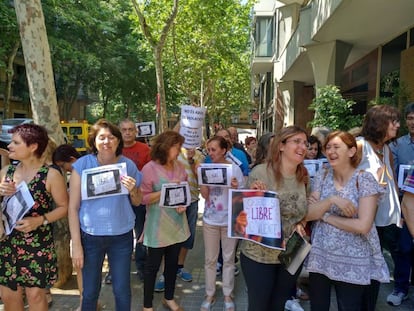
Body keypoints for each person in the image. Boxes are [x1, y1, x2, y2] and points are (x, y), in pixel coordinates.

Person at [305, 131, 389, 311]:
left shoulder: (364, 179)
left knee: (349, 307)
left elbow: (363, 225)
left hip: (353, 260)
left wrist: (325, 215)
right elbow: (308, 214)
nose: (330, 151)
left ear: (351, 151)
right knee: (318, 307)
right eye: (327, 147)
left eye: (336, 147)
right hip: (320, 257)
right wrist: (331, 200)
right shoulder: (323, 175)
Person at [68, 119, 142, 311]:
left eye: (111, 137)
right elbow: (72, 207)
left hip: (122, 236)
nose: (107, 141)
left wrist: (133, 190)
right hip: (90, 236)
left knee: (122, 289)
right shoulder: (82, 165)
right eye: (102, 137)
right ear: (94, 141)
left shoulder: (128, 165)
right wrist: (76, 244)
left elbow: (137, 201)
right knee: (90, 291)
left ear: (118, 141)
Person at [0, 123, 68, 311]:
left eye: (15, 143)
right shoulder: (7, 172)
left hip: (37, 243)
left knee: (35, 294)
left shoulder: (51, 175)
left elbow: (64, 207)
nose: (9, 146)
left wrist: (40, 220)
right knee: (9, 295)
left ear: (33, 147)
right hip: (7, 241)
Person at [240, 125, 308, 311]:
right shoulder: (261, 172)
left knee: (279, 305)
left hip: (292, 254)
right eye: (297, 141)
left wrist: (302, 223)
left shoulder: (304, 176)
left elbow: (303, 212)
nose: (303, 147)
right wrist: (254, 195)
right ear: (281, 146)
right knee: (259, 307)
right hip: (260, 256)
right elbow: (247, 215)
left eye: (305, 142)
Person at [356, 104, 401, 308]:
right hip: (362, 220)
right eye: (394, 121)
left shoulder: (386, 148)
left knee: (374, 267)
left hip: (383, 221)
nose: (398, 125)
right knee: (360, 271)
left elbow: (389, 182)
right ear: (380, 123)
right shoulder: (359, 146)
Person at [140, 130, 190, 311]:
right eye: (176, 147)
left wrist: (182, 205)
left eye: (179, 147)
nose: (178, 151)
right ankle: (147, 305)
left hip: (176, 224)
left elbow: (184, 194)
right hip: (157, 227)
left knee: (171, 265)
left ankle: (169, 298)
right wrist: (165, 192)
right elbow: (142, 198)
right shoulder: (149, 169)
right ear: (165, 147)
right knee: (151, 267)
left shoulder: (180, 167)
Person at [199, 136, 244, 311]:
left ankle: (227, 294)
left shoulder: (235, 169)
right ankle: (209, 294)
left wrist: (233, 187)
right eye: (208, 149)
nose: (210, 153)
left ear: (224, 150)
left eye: (213, 149)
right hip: (210, 219)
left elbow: (240, 198)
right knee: (210, 259)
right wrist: (202, 179)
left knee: (228, 259)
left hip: (229, 220)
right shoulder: (206, 167)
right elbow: (204, 195)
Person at [117, 119, 151, 283]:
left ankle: (141, 266)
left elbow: (149, 173)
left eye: (131, 129)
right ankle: (113, 271)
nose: (128, 132)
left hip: (139, 197)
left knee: (140, 234)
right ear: (119, 131)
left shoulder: (145, 149)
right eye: (124, 129)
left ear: (136, 132)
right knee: (118, 235)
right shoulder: (113, 149)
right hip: (118, 200)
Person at [387, 102, 414, 306]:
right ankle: (400, 288)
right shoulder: (397, 145)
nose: (413, 122)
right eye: (410, 118)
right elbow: (392, 177)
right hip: (405, 203)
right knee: (403, 247)